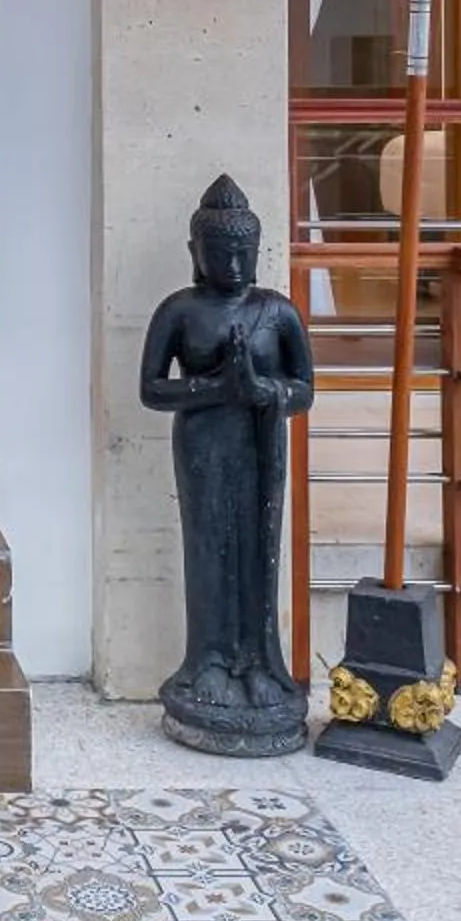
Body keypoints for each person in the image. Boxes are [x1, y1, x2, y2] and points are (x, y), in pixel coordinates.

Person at [138, 176, 316, 754]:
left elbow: (305, 388)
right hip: (204, 443)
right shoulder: (181, 311)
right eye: (222, 253)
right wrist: (214, 386)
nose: (234, 264)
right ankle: (207, 660)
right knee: (208, 547)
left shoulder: (277, 311)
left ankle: (260, 662)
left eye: (244, 253)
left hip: (260, 443)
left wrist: (265, 391)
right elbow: (151, 390)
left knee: (259, 550)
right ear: (197, 254)